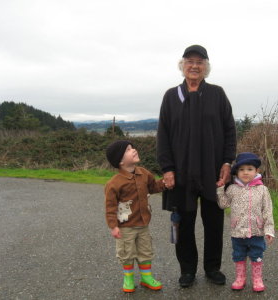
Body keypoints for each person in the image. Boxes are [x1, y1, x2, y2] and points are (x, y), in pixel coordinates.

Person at [157, 45, 237, 287]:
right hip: (181, 173)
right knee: (184, 223)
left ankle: (212, 268)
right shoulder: (172, 96)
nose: (194, 66)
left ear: (206, 67)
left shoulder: (217, 94)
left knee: (214, 223)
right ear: (182, 65)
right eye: (190, 61)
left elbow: (230, 131)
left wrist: (227, 162)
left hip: (213, 171)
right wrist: (167, 168)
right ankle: (187, 270)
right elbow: (163, 135)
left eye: (200, 62)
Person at [105, 140, 165, 293]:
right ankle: (128, 278)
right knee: (126, 253)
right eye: (128, 149)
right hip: (125, 227)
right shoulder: (114, 183)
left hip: (143, 224)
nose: (133, 150)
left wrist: (166, 182)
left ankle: (146, 277)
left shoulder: (144, 173)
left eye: (132, 147)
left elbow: (154, 187)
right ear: (120, 160)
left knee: (145, 252)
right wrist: (113, 226)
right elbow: (110, 207)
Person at [217, 152, 275, 292]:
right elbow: (223, 205)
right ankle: (240, 279)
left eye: (250, 169)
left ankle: (257, 279)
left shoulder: (262, 190)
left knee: (256, 256)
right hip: (238, 232)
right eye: (241, 169)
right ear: (236, 172)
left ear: (257, 171)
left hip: (257, 232)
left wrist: (269, 230)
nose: (245, 173)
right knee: (238, 256)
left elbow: (267, 211)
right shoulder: (232, 189)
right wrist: (219, 190)